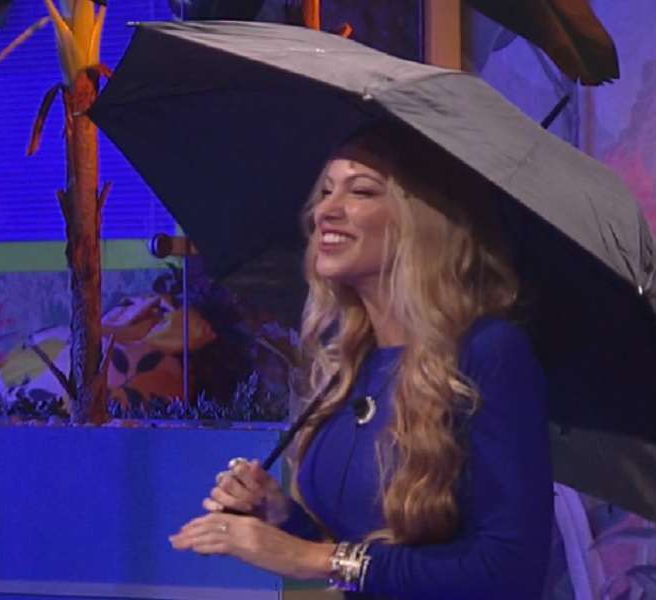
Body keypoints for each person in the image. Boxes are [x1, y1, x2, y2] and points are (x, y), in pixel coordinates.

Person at [168, 123, 553, 599]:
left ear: (423, 221)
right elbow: (363, 555)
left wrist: (308, 558)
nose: (325, 211)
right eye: (326, 192)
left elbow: (508, 571)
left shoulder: (489, 353)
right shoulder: (349, 364)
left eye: (362, 191)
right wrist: (280, 515)